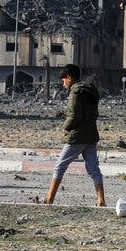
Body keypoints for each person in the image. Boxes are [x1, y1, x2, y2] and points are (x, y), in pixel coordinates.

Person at [43, 64, 105, 206]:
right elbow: (94, 114)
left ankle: (49, 199)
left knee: (59, 167)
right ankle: (101, 199)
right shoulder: (90, 91)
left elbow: (74, 116)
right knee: (94, 169)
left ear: (69, 78)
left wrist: (65, 127)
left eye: (63, 79)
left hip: (77, 136)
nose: (62, 82)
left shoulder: (75, 93)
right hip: (91, 135)